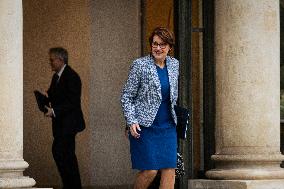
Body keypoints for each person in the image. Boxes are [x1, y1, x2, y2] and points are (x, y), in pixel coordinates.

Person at [121, 27, 179, 189]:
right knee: (150, 171)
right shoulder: (140, 65)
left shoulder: (175, 65)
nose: (158, 48)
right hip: (145, 127)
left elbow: (175, 94)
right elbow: (127, 96)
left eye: (162, 44)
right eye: (155, 44)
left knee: (169, 170)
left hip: (168, 127)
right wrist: (131, 121)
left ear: (169, 47)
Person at [44, 47, 85, 189]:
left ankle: (72, 186)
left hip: (69, 125)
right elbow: (55, 97)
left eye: (52, 60)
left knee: (63, 155)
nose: (50, 62)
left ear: (60, 60)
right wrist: (44, 100)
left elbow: (72, 102)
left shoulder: (71, 76)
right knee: (65, 156)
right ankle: (70, 185)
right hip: (61, 125)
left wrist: (54, 111)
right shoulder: (56, 76)